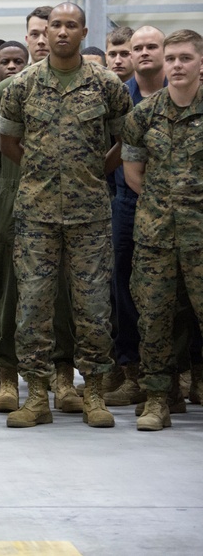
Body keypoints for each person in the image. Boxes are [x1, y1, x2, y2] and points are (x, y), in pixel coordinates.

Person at [0, 2, 131, 429]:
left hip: (90, 214)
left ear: (83, 31)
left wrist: (93, 171)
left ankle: (93, 393)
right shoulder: (23, 85)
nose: (61, 32)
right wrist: (41, 172)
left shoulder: (106, 85)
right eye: (55, 25)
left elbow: (124, 141)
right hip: (36, 214)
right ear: (46, 31)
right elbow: (8, 142)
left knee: (93, 308)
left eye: (71, 25)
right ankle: (37, 396)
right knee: (33, 306)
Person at [121, 29, 203, 430]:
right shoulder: (142, 114)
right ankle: (157, 400)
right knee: (153, 318)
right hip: (156, 236)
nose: (177, 65)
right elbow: (134, 173)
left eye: (185, 58)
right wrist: (168, 203)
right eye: (171, 59)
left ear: (200, 62)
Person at [104, 26, 166, 407]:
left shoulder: (182, 96)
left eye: (150, 47)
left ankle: (186, 371)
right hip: (126, 201)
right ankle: (131, 370)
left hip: (185, 207)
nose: (143, 53)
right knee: (122, 286)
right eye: (136, 48)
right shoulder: (122, 100)